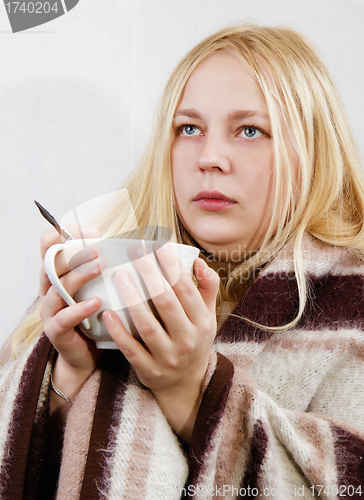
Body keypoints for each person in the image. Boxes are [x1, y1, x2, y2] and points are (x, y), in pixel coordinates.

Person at [1, 23, 364, 499]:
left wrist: (193, 387)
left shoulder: (352, 300)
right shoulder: (105, 266)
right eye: (188, 128)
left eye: (250, 130)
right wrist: (68, 372)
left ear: (311, 152)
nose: (209, 157)